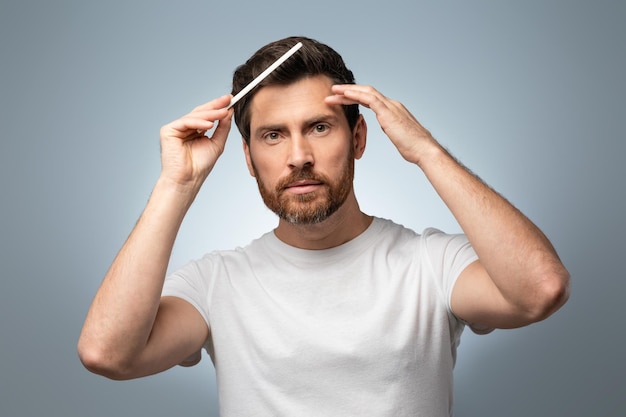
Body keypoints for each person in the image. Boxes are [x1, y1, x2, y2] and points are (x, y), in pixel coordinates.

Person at [78, 36, 570, 416]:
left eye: (319, 127)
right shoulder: (214, 283)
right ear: (247, 158)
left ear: (358, 137)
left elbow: (540, 289)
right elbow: (107, 353)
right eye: (273, 136)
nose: (298, 157)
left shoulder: (431, 263)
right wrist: (175, 184)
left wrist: (426, 151)